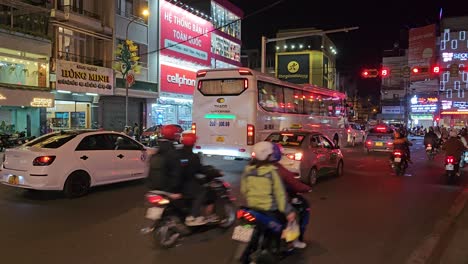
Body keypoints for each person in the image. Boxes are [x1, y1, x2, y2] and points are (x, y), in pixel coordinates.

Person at [240, 142, 296, 247]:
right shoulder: (272, 172)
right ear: (268, 156)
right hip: (269, 210)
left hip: (252, 207)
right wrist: (289, 212)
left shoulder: (248, 171)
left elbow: (244, 190)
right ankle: (281, 246)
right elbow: (280, 195)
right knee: (284, 224)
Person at [270, 143, 311, 248]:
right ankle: (294, 241)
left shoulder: (253, 168)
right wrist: (307, 188)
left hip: (255, 202)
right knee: (293, 215)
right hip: (273, 203)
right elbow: (294, 184)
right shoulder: (279, 170)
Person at [177, 133, 216, 226]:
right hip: (186, 182)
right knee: (201, 191)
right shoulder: (193, 156)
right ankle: (193, 216)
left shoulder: (177, 153)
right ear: (193, 143)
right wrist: (211, 172)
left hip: (176, 181)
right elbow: (199, 169)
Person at [146, 124, 183, 199]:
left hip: (153, 189)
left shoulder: (156, 152)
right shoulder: (173, 153)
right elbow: (177, 174)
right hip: (168, 190)